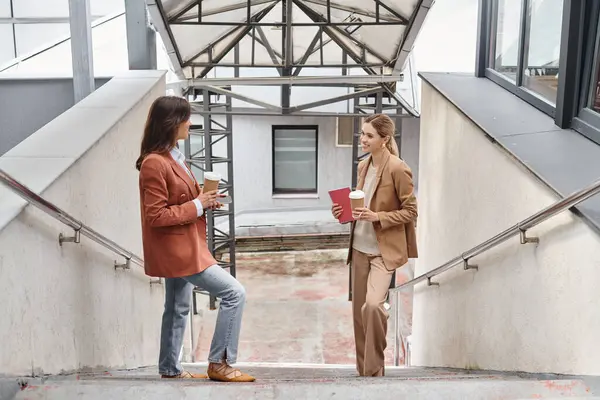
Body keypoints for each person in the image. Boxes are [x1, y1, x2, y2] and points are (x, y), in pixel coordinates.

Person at [136, 96, 254, 383]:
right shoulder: (154, 163)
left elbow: (180, 199)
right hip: (179, 251)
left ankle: (169, 367)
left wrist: (205, 198)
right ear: (171, 123)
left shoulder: (174, 157)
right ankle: (220, 363)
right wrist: (198, 204)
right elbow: (156, 215)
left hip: (186, 244)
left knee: (177, 307)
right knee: (234, 293)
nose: (190, 122)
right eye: (186, 117)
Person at [331, 114, 418, 377]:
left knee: (372, 306)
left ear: (384, 139)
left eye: (369, 135)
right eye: (362, 133)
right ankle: (363, 372)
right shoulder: (363, 166)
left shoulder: (398, 168)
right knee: (359, 316)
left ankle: (374, 370)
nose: (363, 139)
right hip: (358, 248)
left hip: (382, 252)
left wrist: (377, 216)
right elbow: (360, 206)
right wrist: (342, 212)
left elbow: (411, 211)